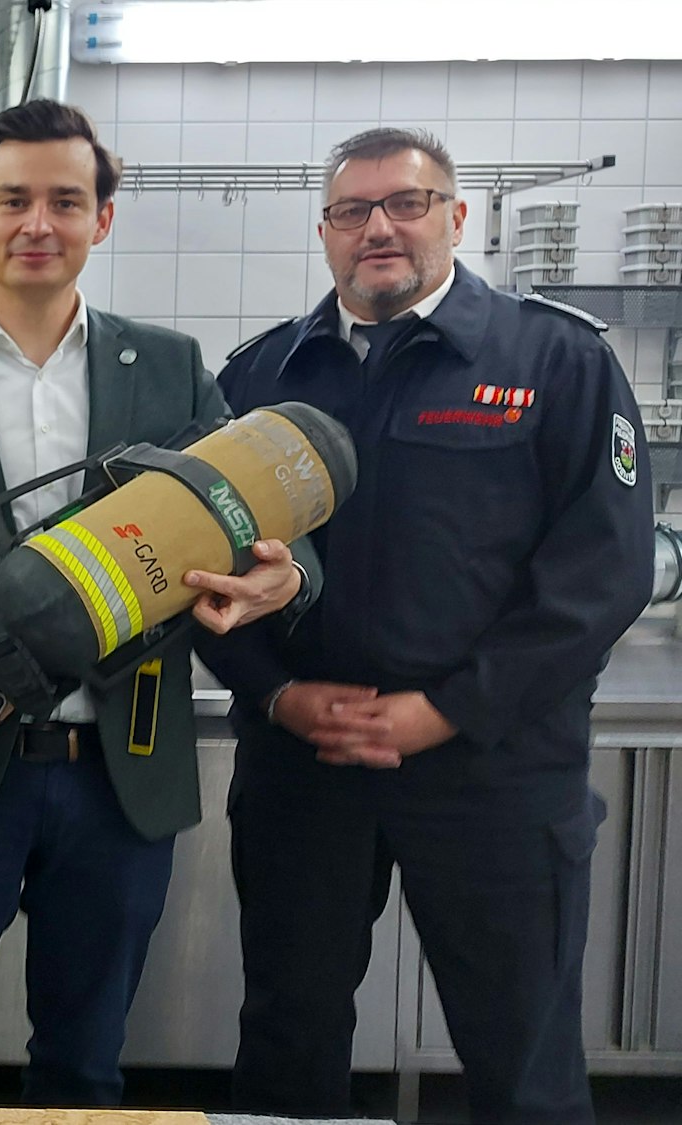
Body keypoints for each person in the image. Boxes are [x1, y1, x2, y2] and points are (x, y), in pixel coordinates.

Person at [0, 99, 308, 1107]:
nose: (35, 222)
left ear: (102, 219)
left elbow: (260, 517)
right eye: (11, 200)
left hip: (117, 777)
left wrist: (285, 574)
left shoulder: (170, 368)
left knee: (83, 1064)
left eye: (63, 200)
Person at [200, 127, 653, 1125]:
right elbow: (199, 573)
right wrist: (274, 692)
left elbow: (599, 572)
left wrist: (444, 710)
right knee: (286, 1037)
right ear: (323, 232)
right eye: (351, 210)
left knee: (517, 1049)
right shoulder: (260, 376)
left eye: (403, 204)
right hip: (303, 771)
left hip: (494, 772)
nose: (377, 228)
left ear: (455, 218)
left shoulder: (555, 361)